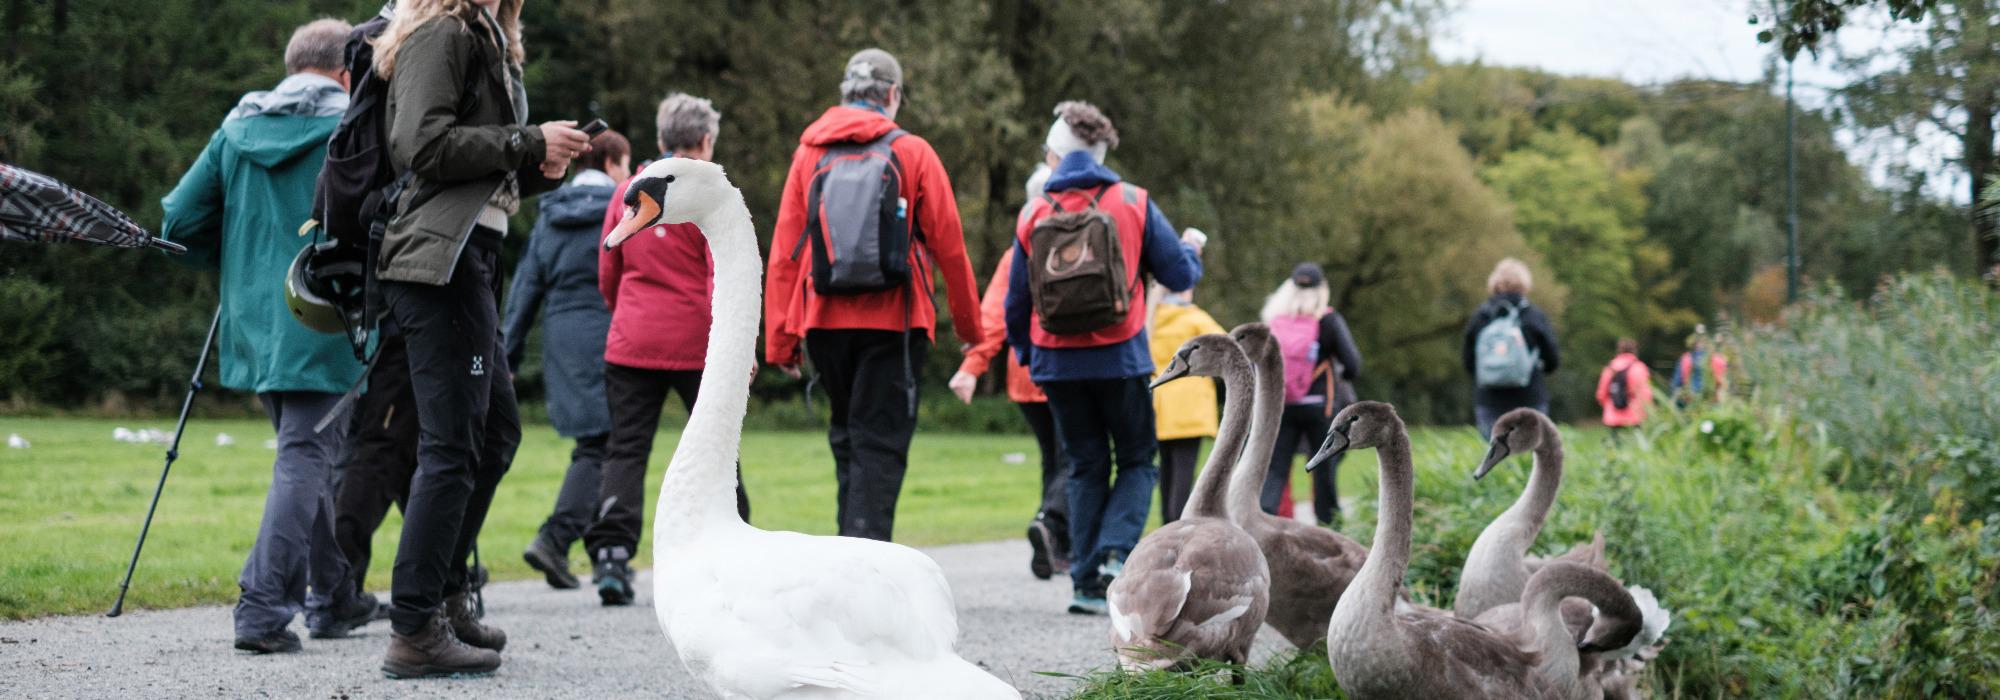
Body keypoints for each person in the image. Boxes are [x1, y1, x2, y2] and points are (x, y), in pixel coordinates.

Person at [369, 0, 588, 677]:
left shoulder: (490, 40)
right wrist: (526, 141)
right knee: (453, 444)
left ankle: (445, 595)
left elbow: (474, 167)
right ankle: (415, 628)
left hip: (470, 257)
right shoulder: (444, 32)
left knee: (494, 436)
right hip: (437, 264)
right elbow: (420, 145)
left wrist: (537, 163)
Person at [159, 18, 369, 654]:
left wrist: (234, 267)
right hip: (326, 315)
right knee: (306, 455)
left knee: (304, 451)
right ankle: (261, 607)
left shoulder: (237, 127)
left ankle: (333, 595)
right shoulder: (353, 127)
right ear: (346, 74)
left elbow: (177, 221)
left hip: (253, 321)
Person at [765, 49, 983, 542]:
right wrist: (970, 330)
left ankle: (849, 551)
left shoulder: (808, 154)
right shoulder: (914, 152)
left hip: (823, 321)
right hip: (895, 322)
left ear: (846, 93)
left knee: (846, 436)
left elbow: (784, 253)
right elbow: (950, 249)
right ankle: (863, 558)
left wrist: (781, 341)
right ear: (892, 95)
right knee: (879, 444)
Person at [1004, 101, 1204, 614]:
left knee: (1085, 465)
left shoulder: (1033, 212)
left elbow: (1016, 302)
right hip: (1120, 357)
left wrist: (1029, 356)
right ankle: (1115, 552)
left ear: (1055, 155)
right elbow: (1179, 275)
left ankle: (1085, 584)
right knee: (1136, 458)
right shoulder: (1132, 200)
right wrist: (1191, 251)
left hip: (1056, 362)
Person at [583, 93, 751, 605]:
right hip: (696, 340)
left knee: (626, 448)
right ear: (706, 141)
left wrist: (626, 315)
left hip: (632, 339)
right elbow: (722, 274)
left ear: (659, 139)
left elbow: (608, 268)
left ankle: (612, 554)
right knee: (719, 442)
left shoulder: (628, 191)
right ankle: (737, 544)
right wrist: (738, 344)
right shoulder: (708, 198)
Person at [505, 128, 630, 590]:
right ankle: (556, 540)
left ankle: (599, 555)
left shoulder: (550, 215)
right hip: (613, 333)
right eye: (625, 164)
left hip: (563, 341)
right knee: (605, 447)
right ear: (612, 163)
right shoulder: (624, 212)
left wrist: (508, 355)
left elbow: (525, 290)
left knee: (598, 444)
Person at [949, 164, 1071, 579]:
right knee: (1076, 457)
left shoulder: (1016, 251)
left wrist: (972, 366)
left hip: (1025, 373)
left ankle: (1056, 545)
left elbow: (994, 314)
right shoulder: (1078, 246)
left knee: (1054, 457)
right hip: (1067, 367)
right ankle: (1051, 522)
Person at [1259, 262, 1363, 527]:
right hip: (1320, 406)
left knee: (1276, 470)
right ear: (1321, 289)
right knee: (1323, 470)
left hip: (1283, 405)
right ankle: (1329, 530)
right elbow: (1353, 364)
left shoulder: (1275, 321)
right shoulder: (1328, 320)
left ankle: (1263, 524)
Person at [1148, 270, 1225, 524]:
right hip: (1190, 406)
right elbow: (1228, 347)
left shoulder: (1151, 319)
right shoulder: (1194, 319)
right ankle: (1180, 525)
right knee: (1184, 472)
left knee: (1166, 471)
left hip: (1160, 405)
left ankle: (1167, 524)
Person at [1462, 258, 1560, 439]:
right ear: (1525, 283)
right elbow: (1552, 361)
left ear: (1494, 282)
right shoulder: (1534, 316)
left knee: (1495, 452)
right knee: (1530, 453)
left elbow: (1468, 361)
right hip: (1530, 399)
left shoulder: (1481, 317)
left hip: (1489, 400)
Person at [1596, 337, 1652, 436]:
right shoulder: (1639, 367)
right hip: (1635, 414)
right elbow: (1645, 393)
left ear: (1619, 351)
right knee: (1638, 442)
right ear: (1635, 351)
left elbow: (1601, 393)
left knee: (1616, 443)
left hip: (1613, 414)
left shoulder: (1610, 368)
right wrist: (1647, 409)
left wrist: (1609, 405)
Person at [1671, 325, 1729, 406]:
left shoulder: (1686, 358)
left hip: (1691, 400)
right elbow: (1723, 381)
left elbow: (1676, 383)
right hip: (1708, 401)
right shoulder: (1716, 359)